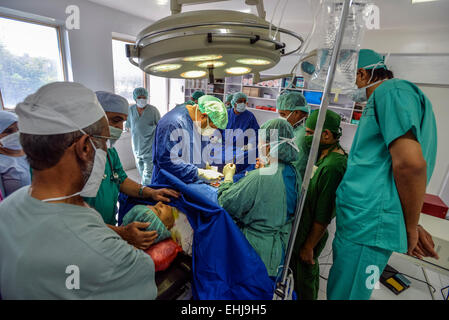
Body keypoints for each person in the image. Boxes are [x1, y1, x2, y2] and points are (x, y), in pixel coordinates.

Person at [0, 82, 157, 299]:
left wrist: (147, 191)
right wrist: (121, 235)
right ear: (85, 147)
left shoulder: (7, 208)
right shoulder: (116, 261)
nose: (107, 147)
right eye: (102, 142)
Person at [327, 49, 439, 300]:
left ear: (362, 73)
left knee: (348, 295)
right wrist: (411, 221)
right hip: (365, 223)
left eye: (344, 80)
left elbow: (410, 165)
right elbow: (387, 171)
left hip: (368, 225)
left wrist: (410, 225)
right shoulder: (387, 99)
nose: (343, 88)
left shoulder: (391, 92)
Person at [84, 91, 179, 250]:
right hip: (85, 238)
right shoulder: (76, 159)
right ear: (94, 116)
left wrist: (149, 192)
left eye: (123, 121)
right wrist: (120, 232)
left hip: (106, 231)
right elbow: (72, 217)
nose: (120, 128)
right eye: (115, 120)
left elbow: (121, 179)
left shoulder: (109, 153)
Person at [218, 118, 301, 277]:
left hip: (255, 252)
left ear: (269, 146)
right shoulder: (293, 172)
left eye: (261, 143)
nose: (259, 146)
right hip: (278, 253)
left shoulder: (262, 177)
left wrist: (228, 177)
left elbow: (226, 202)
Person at [289, 109, 347, 300]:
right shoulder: (323, 155)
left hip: (310, 234)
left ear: (326, 134)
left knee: (305, 278)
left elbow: (323, 215)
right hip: (304, 228)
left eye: (308, 133)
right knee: (299, 276)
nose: (305, 138)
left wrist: (308, 246)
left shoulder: (333, 167)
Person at [152, 95, 228, 184]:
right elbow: (166, 161)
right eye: (212, 127)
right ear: (203, 116)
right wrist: (199, 172)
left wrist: (205, 165)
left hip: (189, 181)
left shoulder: (199, 124)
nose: (212, 132)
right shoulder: (172, 123)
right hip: (169, 184)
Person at [126, 87, 161, 186]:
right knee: (141, 170)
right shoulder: (130, 110)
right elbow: (128, 126)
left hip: (149, 146)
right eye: (139, 97)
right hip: (136, 146)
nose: (142, 99)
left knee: (148, 173)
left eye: (144, 97)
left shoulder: (153, 110)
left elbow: (160, 126)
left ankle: (147, 191)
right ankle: (147, 186)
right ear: (135, 98)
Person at [220, 92, 260, 174]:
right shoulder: (226, 114)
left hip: (241, 148)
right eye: (240, 101)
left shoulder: (249, 116)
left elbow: (255, 133)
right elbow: (218, 129)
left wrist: (250, 144)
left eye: (244, 101)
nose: (243, 103)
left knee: (238, 165)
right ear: (234, 103)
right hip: (225, 146)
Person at [277, 91, 311, 177]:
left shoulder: (303, 135)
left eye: (283, 114)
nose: (281, 118)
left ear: (297, 113)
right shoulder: (293, 128)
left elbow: (297, 168)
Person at [0, 110, 31, 197]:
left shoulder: (30, 151)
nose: (17, 134)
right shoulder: (2, 164)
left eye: (19, 128)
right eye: (8, 131)